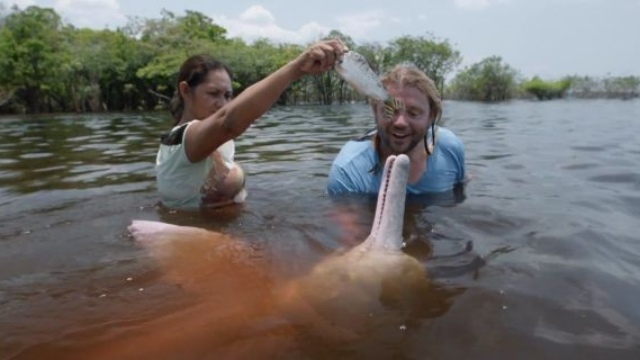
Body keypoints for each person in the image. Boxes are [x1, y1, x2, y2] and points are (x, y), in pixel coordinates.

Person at [156, 39, 347, 209]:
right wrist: (296, 68)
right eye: (213, 94)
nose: (222, 104)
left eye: (228, 96)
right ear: (185, 90)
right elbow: (228, 121)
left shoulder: (210, 142)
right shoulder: (182, 139)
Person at [327, 64, 466, 196]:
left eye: (414, 113)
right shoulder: (349, 170)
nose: (400, 123)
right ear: (376, 112)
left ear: (431, 116)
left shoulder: (450, 148)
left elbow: (462, 187)